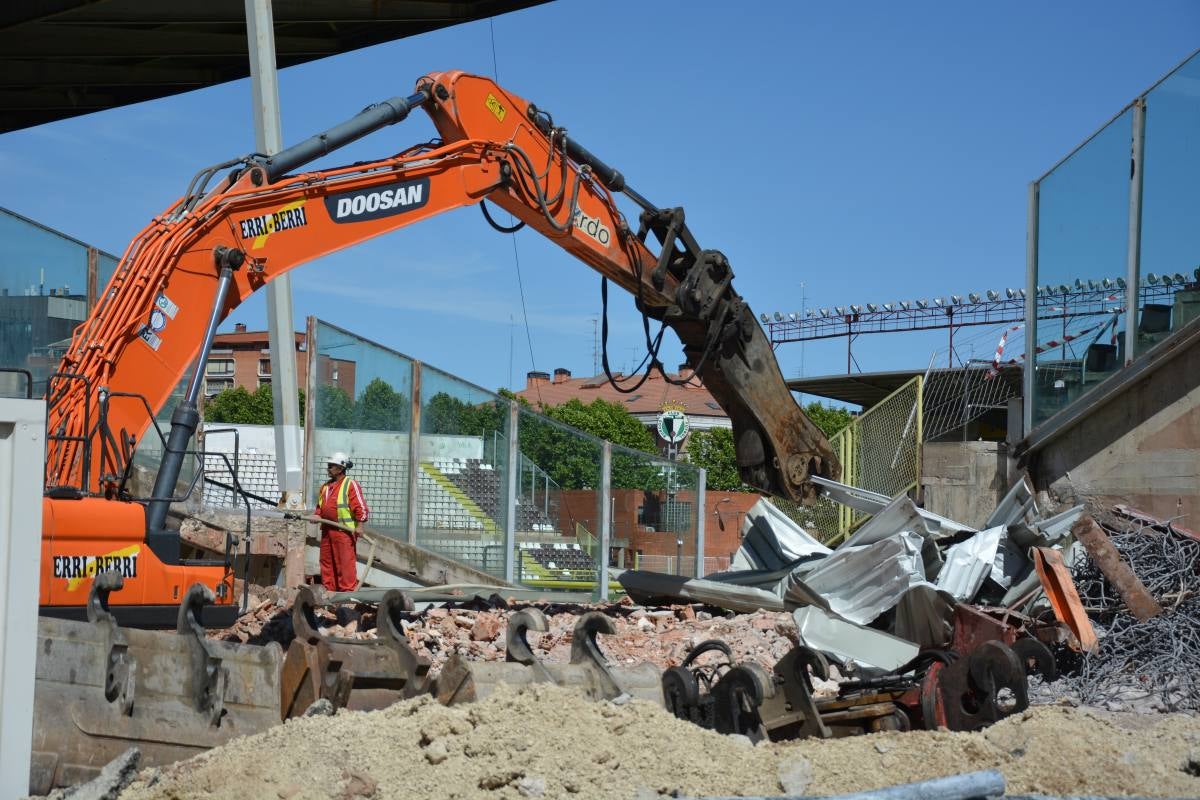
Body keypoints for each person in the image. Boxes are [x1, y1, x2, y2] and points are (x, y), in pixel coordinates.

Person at [314, 452, 369, 592]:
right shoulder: (325, 487)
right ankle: (329, 593)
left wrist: (360, 526)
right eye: (328, 466)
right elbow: (320, 507)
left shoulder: (350, 484)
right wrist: (317, 516)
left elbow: (360, 506)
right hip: (327, 531)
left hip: (343, 532)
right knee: (327, 563)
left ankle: (346, 597)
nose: (328, 468)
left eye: (331, 466)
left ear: (340, 468)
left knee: (345, 565)